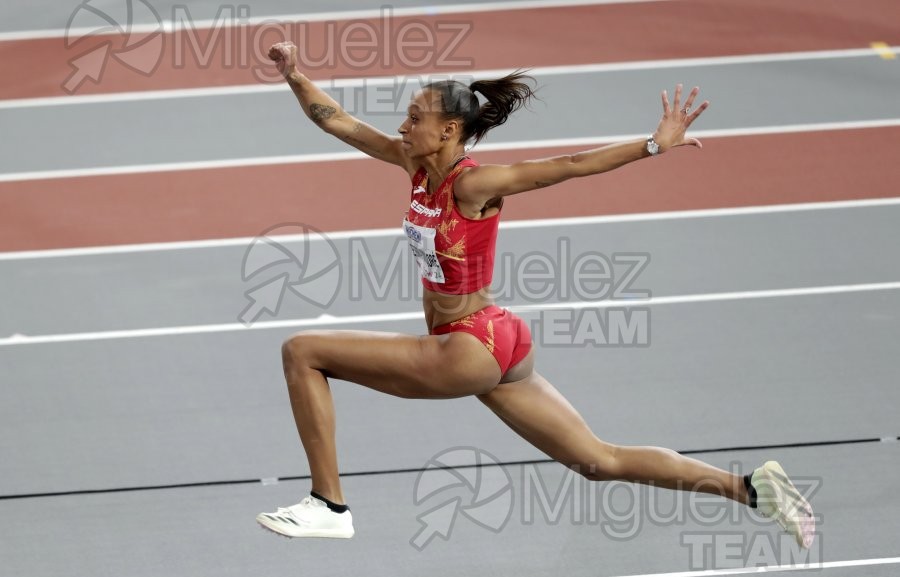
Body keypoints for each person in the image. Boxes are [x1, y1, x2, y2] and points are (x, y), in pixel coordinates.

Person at [257, 41, 815, 548]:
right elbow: (342, 124)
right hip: (500, 338)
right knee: (598, 460)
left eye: (414, 118)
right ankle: (749, 488)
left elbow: (565, 168)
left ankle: (328, 504)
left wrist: (652, 144)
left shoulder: (473, 183)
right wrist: (296, 75)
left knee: (303, 351)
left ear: (449, 130)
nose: (403, 127)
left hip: (466, 348)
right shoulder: (414, 165)